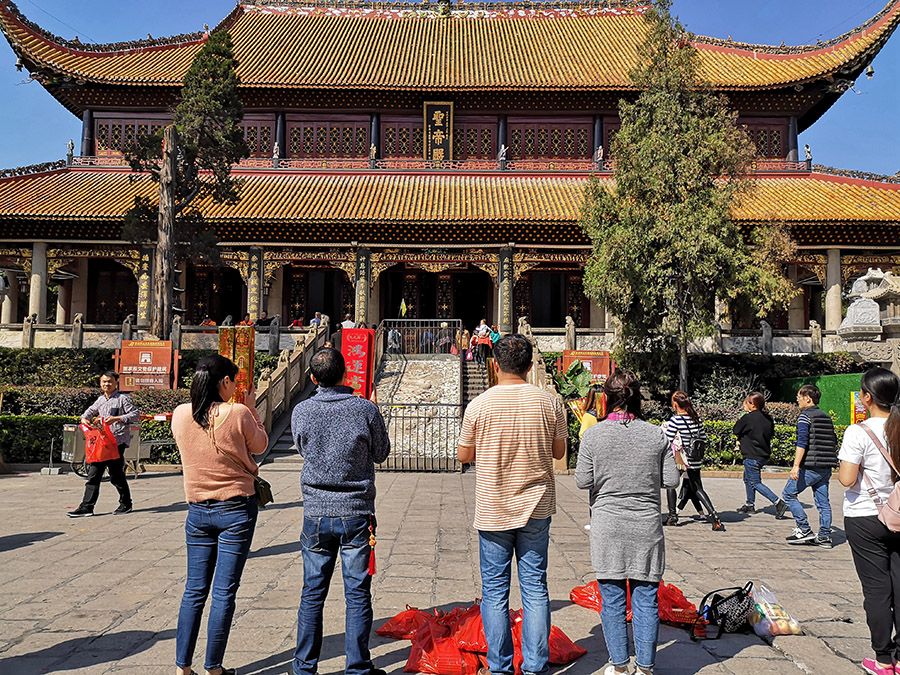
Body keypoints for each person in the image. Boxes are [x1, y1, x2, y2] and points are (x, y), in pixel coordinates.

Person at [457, 334, 567, 675]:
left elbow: (464, 455)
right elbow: (560, 453)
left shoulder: (479, 404)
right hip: (536, 506)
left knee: (494, 592)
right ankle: (535, 666)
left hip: (494, 507)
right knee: (535, 587)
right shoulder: (549, 402)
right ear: (530, 366)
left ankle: (500, 667)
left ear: (494, 364)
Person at [290, 348, 391, 675]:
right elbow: (381, 453)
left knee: (312, 592)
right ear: (346, 374)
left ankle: (304, 667)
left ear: (313, 378)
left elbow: (302, 448)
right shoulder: (364, 408)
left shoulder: (302, 411)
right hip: (356, 513)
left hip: (316, 512)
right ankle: (358, 667)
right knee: (358, 592)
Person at [575, 369, 680, 675]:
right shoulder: (656, 434)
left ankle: (619, 666)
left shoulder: (593, 434)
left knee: (612, 599)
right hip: (646, 526)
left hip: (608, 525)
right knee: (646, 598)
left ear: (606, 398)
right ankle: (646, 668)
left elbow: (582, 480)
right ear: (638, 398)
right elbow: (672, 479)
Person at [171, 355, 268, 675]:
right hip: (236, 509)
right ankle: (214, 667)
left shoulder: (181, 414)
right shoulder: (238, 412)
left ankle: (182, 667)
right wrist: (252, 408)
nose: (235, 388)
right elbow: (260, 445)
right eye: (234, 382)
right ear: (224, 382)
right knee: (224, 591)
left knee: (194, 591)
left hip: (197, 511)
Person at [838, 368, 900, 675]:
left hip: (866, 516)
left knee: (877, 589)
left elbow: (847, 480)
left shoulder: (858, 431)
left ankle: (883, 659)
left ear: (867, 397)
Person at [68, 371, 139, 517]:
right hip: (101, 444)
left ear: (116, 383)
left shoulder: (123, 399)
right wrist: (84, 420)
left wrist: (117, 419)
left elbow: (135, 415)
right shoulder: (100, 400)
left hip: (117, 442)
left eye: (109, 382)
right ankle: (87, 507)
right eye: (104, 382)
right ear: (100, 383)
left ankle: (126, 503)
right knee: (93, 474)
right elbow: (87, 413)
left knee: (116, 475)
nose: (106, 384)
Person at [782, 384, 839, 547]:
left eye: (799, 396)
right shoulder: (826, 417)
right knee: (823, 503)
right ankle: (825, 536)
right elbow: (833, 441)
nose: (797, 399)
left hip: (810, 467)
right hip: (826, 467)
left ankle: (804, 529)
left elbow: (802, 443)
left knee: (788, 494)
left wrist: (795, 466)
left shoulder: (804, 417)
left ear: (808, 398)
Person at [663, 391, 725, 531]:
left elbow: (666, 440)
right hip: (695, 458)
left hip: (681, 458)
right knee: (697, 488)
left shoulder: (676, 420)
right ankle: (714, 516)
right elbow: (703, 439)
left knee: (670, 484)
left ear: (675, 404)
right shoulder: (697, 419)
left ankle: (673, 516)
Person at [734, 392, 788, 518]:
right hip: (763, 454)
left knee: (755, 482)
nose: (744, 404)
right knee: (748, 479)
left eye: (746, 402)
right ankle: (749, 505)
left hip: (752, 455)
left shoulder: (748, 418)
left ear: (752, 405)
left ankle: (778, 502)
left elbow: (736, 430)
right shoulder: (768, 418)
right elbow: (771, 434)